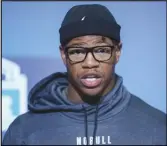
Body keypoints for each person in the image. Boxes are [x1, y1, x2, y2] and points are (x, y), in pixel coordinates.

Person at [3, 4, 166, 145]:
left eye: (101, 50)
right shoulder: (24, 132)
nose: (89, 63)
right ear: (63, 55)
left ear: (117, 52)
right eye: (77, 51)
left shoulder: (157, 127)